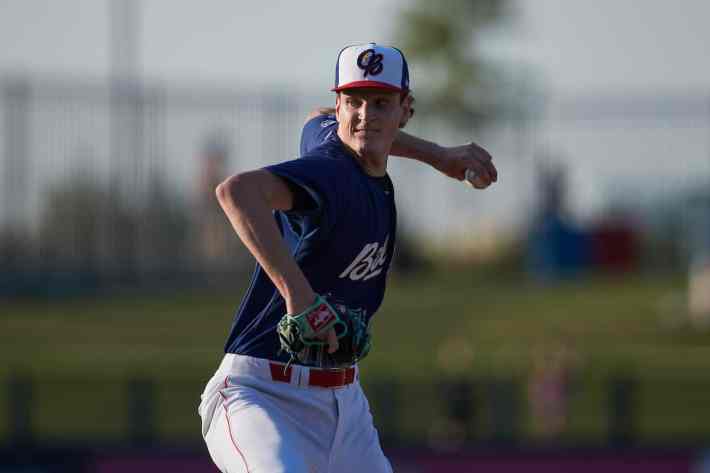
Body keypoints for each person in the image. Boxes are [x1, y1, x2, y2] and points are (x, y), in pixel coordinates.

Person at [198, 42, 497, 473]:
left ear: (405, 109)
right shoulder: (331, 173)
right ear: (340, 104)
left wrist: (439, 155)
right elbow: (236, 192)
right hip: (259, 395)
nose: (364, 115)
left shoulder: (340, 149)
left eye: (380, 103)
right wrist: (297, 295)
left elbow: (315, 117)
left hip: (344, 406)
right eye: (352, 101)